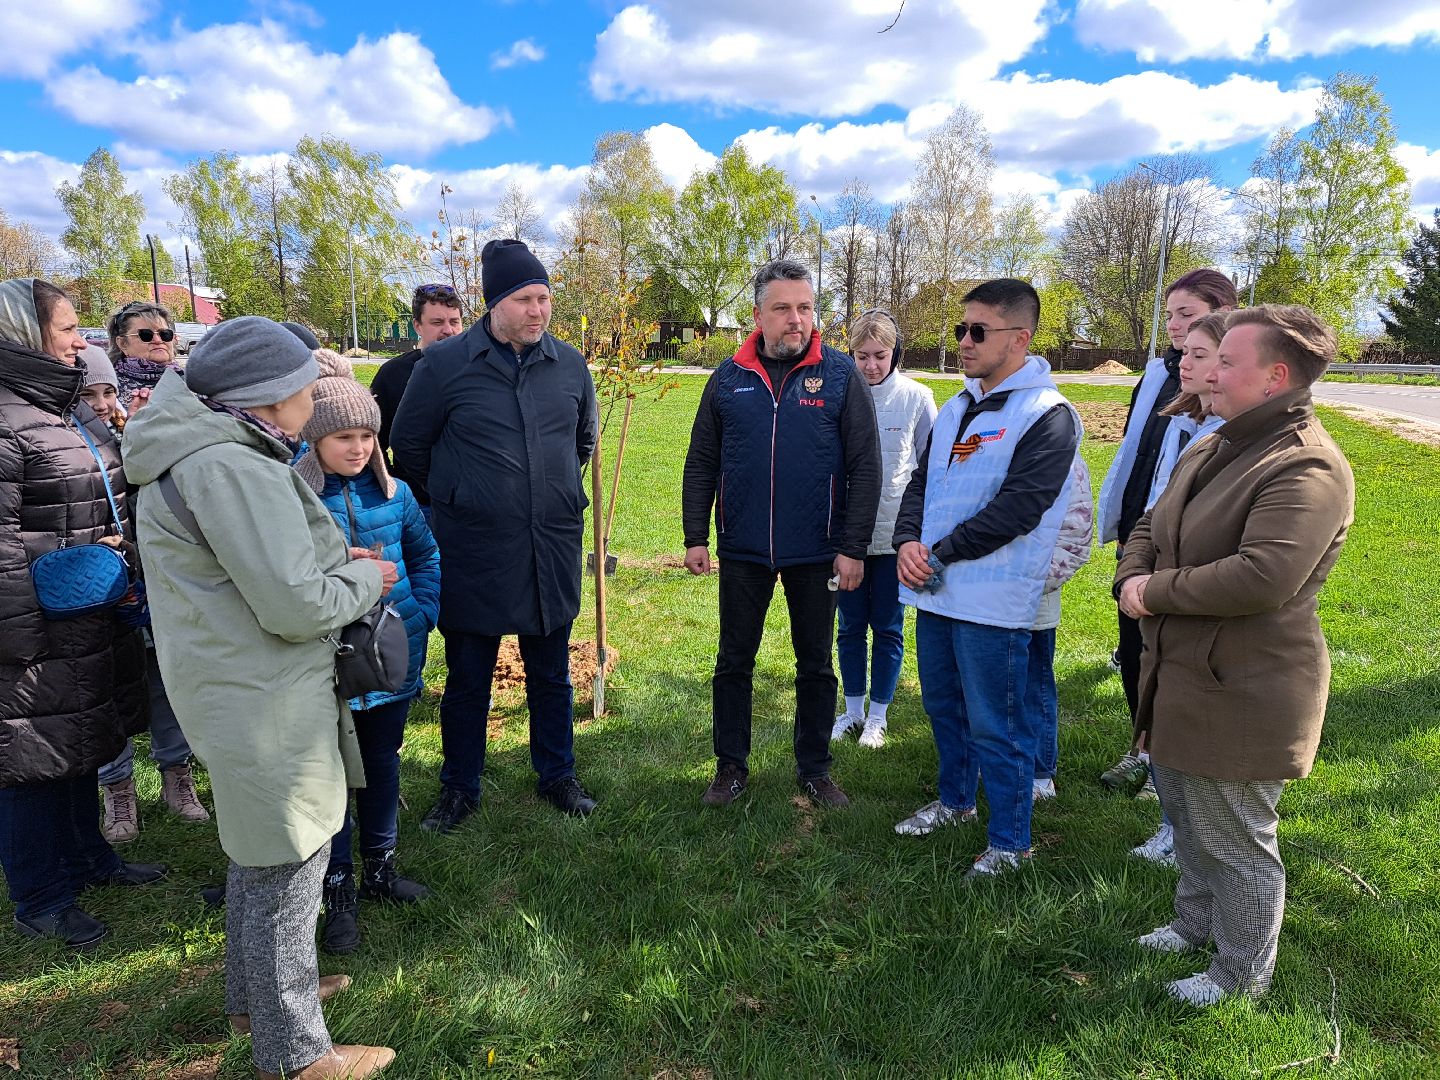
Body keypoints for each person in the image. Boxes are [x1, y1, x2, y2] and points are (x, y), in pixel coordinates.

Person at [123, 316, 398, 1078]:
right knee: (289, 856)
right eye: (306, 390)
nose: (316, 401)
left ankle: (257, 1000)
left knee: (259, 850)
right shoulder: (229, 467)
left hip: (236, 680)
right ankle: (297, 1053)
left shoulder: (208, 448)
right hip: (262, 692)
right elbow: (294, 604)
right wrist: (363, 580)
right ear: (267, 399)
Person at [1117, 304, 1354, 1006]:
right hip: (1184, 674)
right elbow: (1151, 522)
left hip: (1245, 688)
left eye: (1227, 362)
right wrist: (1132, 574)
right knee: (1189, 817)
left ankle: (1239, 975)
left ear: (1275, 378)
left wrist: (1152, 592)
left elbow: (1262, 577)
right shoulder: (1215, 441)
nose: (1209, 372)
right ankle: (1194, 925)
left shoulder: (1305, 463)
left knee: (1236, 838)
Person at [391, 241, 599, 830]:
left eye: (546, 299)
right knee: (469, 678)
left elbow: (581, 442)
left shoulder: (569, 365)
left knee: (551, 674)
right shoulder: (445, 364)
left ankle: (558, 774)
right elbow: (409, 447)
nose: (540, 311)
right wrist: (466, 497)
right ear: (496, 303)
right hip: (474, 549)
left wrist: (545, 493)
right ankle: (459, 787)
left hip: (550, 546)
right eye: (527, 299)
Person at [891, 278, 1081, 879]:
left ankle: (1011, 840)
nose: (965, 342)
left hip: (995, 599)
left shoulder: (1047, 416)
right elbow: (923, 483)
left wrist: (939, 551)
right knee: (944, 707)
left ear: (1020, 338)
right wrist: (906, 542)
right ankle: (955, 802)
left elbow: (1020, 507)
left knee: (996, 722)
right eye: (961, 329)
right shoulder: (956, 406)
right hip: (938, 586)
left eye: (979, 331)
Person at [682, 258, 881, 808]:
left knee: (816, 663)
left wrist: (852, 547)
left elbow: (866, 466)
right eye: (783, 309)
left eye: (806, 307)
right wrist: (695, 534)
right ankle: (730, 767)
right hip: (744, 549)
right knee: (733, 661)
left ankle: (814, 769)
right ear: (758, 315)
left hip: (817, 552)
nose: (797, 319)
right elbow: (702, 460)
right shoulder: (728, 379)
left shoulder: (840, 377)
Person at [0, 278, 163, 951]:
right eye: (68, 328)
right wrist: (21, 644)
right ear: (25, 333)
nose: (80, 340)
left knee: (74, 746)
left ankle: (88, 858)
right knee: (29, 759)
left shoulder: (55, 409)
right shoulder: (9, 423)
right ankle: (40, 894)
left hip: (83, 615)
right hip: (32, 632)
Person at [295, 351, 440, 955]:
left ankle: (380, 864)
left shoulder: (397, 494)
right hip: (329, 665)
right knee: (331, 778)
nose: (356, 448)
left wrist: (422, 613)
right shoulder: (296, 499)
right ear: (315, 440)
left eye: (364, 435)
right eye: (341, 437)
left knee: (382, 762)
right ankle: (338, 887)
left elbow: (427, 555)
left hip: (393, 656)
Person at [1095, 269, 1237, 794]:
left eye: (1189, 316)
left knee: (1173, 653)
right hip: (1142, 526)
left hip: (1186, 541)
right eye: (1172, 315)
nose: (1175, 328)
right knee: (1133, 645)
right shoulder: (1159, 372)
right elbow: (1137, 450)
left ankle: (1173, 763)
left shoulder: (1221, 389)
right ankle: (1144, 747)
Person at [79, 343, 209, 843]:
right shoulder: (70, 443)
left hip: (152, 578)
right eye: (88, 393)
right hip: (99, 582)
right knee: (110, 686)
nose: (101, 402)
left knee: (165, 678)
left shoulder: (139, 434)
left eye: (107, 390)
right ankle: (118, 790)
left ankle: (177, 778)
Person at [1129, 310, 1229, 866]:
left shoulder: (1232, 440)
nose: (1182, 363)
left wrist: (1157, 584)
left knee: (1190, 721)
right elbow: (1156, 508)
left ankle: (1188, 835)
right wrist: (1135, 567)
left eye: (1198, 353)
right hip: (1160, 584)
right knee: (1162, 707)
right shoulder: (1187, 422)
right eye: (1183, 351)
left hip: (1188, 599)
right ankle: (1177, 827)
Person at [830, 309, 935, 750]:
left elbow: (931, 465)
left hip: (896, 534)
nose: (871, 366)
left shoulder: (917, 397)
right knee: (849, 625)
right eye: (862, 356)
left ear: (895, 354)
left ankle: (878, 715)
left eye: (880, 355)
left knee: (888, 626)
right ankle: (852, 709)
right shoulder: (839, 394)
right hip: (847, 536)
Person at [1029, 456, 1093, 802]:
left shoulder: (1061, 453)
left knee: (1034, 685)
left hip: (1031, 599)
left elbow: (1075, 531)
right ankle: (991, 759)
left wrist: (1031, 582)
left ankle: (1040, 772)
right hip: (980, 601)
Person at [371, 284, 464, 480]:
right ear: (417, 325)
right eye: (437, 322)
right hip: (416, 502)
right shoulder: (392, 374)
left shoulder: (479, 370)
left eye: (454, 321)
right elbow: (373, 442)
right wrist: (394, 487)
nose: (448, 330)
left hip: (470, 501)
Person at [107, 299, 180, 415]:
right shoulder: (108, 388)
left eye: (165, 334)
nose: (158, 340)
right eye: (146, 335)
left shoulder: (192, 381)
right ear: (123, 344)